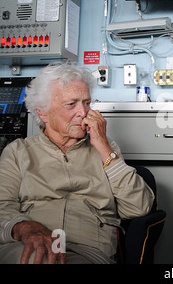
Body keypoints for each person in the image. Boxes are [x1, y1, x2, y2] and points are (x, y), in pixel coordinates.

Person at [0, 62, 154, 264]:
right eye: (71, 104)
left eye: (87, 103)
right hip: (28, 245)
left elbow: (139, 207)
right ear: (42, 112)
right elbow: (3, 206)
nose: (84, 112)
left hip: (88, 250)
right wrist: (23, 227)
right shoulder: (18, 152)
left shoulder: (107, 149)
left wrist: (103, 146)